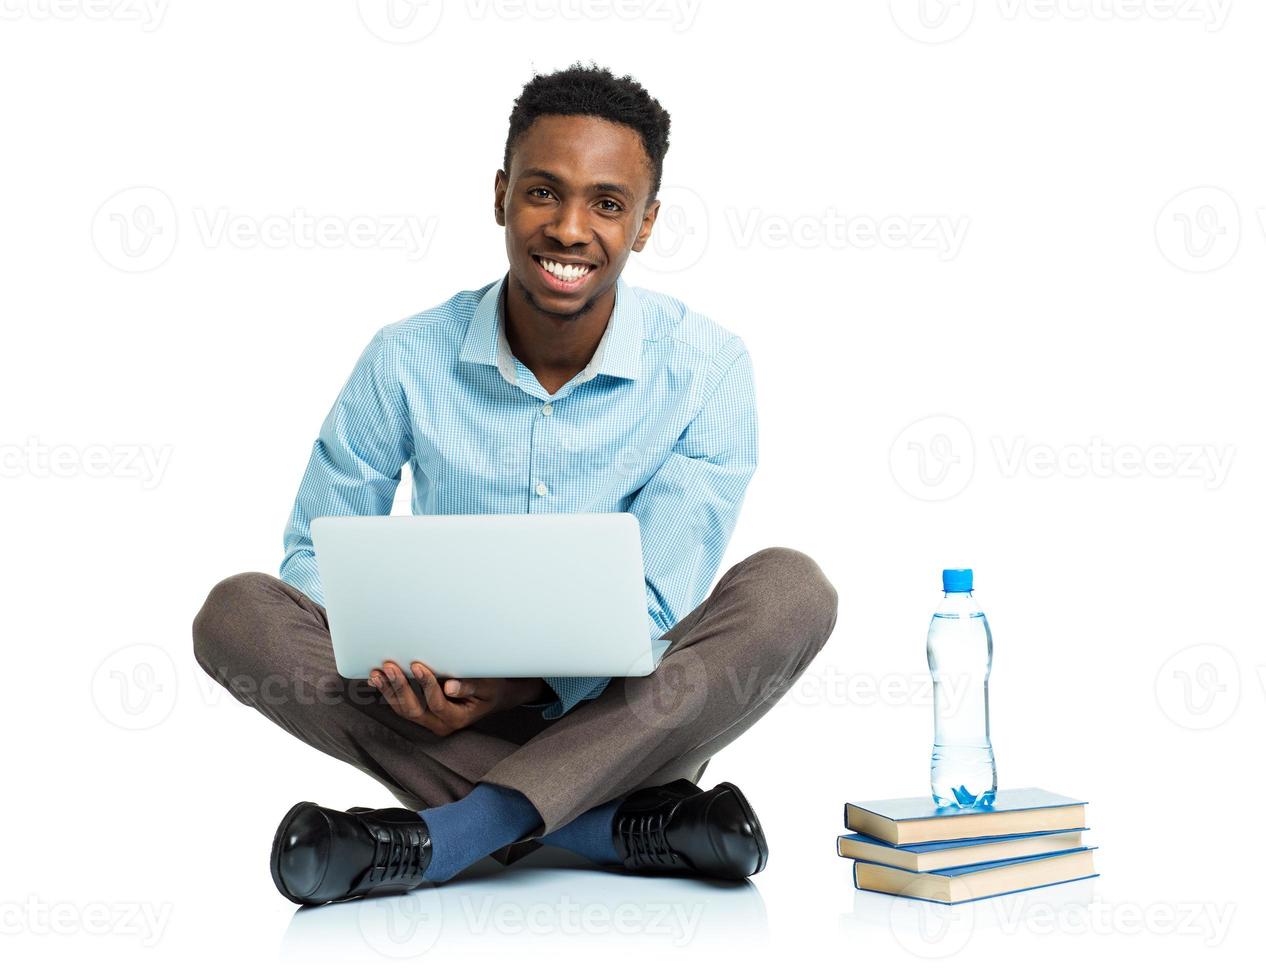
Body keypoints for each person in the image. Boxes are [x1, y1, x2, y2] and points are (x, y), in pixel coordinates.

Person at [192, 61, 839, 907]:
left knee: (794, 590)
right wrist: (405, 669)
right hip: (424, 706)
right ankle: (620, 826)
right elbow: (316, 552)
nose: (570, 229)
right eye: (544, 192)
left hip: (627, 716)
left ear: (645, 225)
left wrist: (530, 686)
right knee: (235, 613)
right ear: (500, 195)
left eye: (608, 204)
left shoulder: (709, 368)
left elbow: (655, 604)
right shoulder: (405, 356)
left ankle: (438, 838)